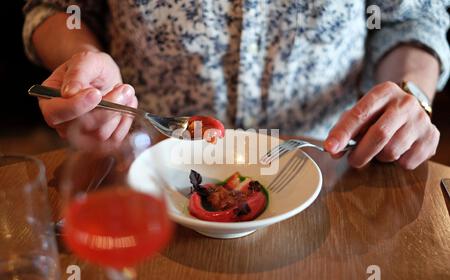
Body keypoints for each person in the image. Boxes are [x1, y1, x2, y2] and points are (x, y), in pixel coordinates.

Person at [23, 1, 449, 169]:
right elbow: (58, 7)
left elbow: (411, 16)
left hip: (326, 168)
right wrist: (85, 70)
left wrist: (411, 94)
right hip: (142, 166)